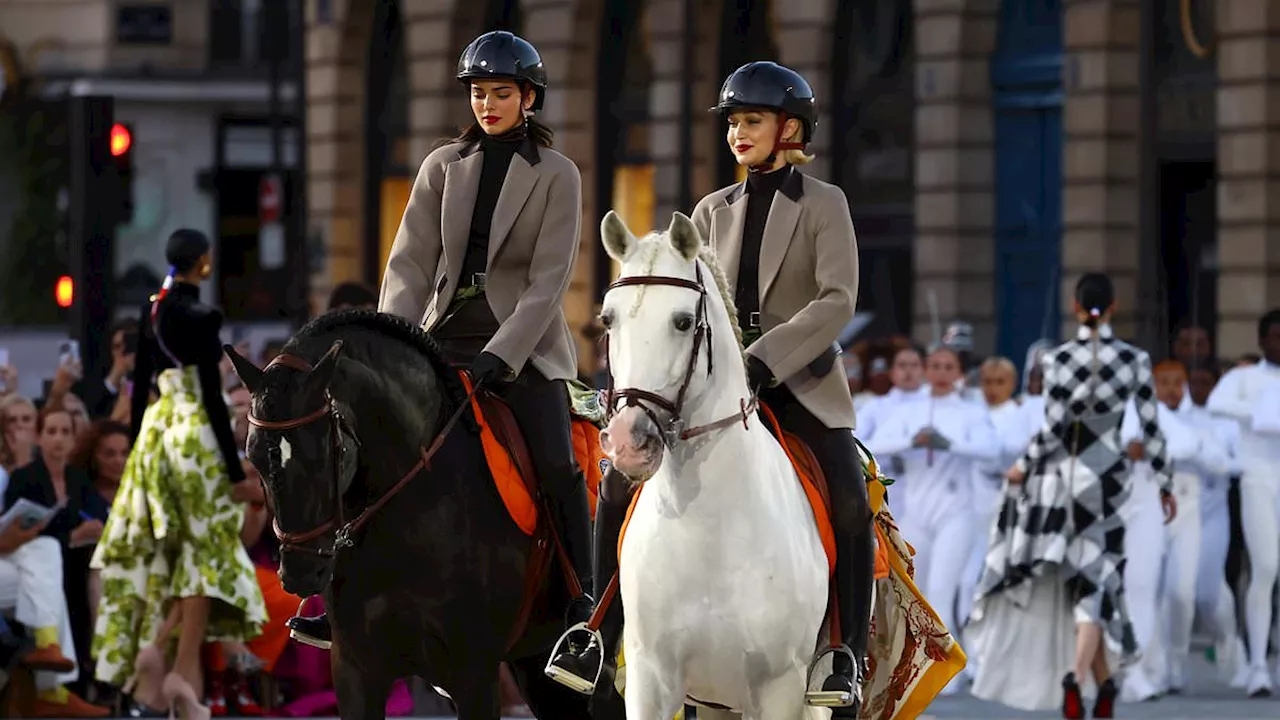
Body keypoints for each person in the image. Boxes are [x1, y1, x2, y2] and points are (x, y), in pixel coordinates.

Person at [550, 60, 874, 716]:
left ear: (790, 128)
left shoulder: (825, 205)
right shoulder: (707, 212)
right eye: (732, 123)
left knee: (849, 496)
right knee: (615, 483)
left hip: (799, 385)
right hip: (708, 389)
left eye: (750, 120)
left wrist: (765, 359)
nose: (737, 133)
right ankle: (597, 630)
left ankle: (843, 652)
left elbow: (837, 300)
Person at [285, 30, 594, 652]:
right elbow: (409, 265)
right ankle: (338, 593)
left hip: (523, 348)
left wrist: (496, 358)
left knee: (559, 464)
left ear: (528, 98)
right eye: (479, 93)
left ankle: (583, 602)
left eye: (500, 93)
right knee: (365, 445)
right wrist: (388, 344)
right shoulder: (440, 166)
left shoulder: (558, 174)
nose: (487, 105)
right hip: (441, 337)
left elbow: (547, 282)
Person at [967, 273, 1174, 718]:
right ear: (1113, 306)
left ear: (1076, 307)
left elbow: (1055, 429)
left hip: (1068, 477)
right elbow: (1152, 429)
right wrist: (1164, 483)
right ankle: (1083, 678)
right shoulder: (1134, 360)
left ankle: (1096, 683)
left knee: (1084, 578)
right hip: (1112, 479)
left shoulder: (1058, 359)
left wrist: (1023, 465)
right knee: (1097, 576)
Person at [91, 229, 267, 718]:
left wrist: (134, 443)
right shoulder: (203, 315)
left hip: (156, 435)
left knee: (176, 556)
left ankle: (173, 671)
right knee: (206, 554)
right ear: (203, 263)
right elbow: (212, 397)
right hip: (193, 436)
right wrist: (233, 471)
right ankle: (180, 671)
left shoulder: (153, 310)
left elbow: (142, 380)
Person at [1205, 308, 1280, 696]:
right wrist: (1261, 414)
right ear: (1263, 340)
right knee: (1265, 567)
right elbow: (1216, 403)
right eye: (1275, 337)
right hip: (1258, 478)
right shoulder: (1244, 378)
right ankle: (1256, 666)